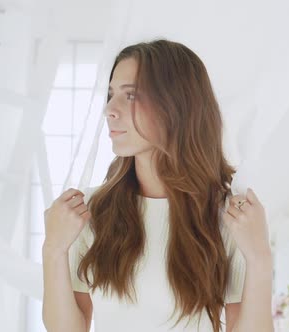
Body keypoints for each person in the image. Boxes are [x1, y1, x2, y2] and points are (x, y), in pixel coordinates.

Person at [41, 39, 273, 332]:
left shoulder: (229, 218)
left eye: (131, 96)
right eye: (111, 94)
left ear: (175, 105)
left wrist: (259, 257)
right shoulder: (87, 211)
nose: (110, 109)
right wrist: (53, 249)